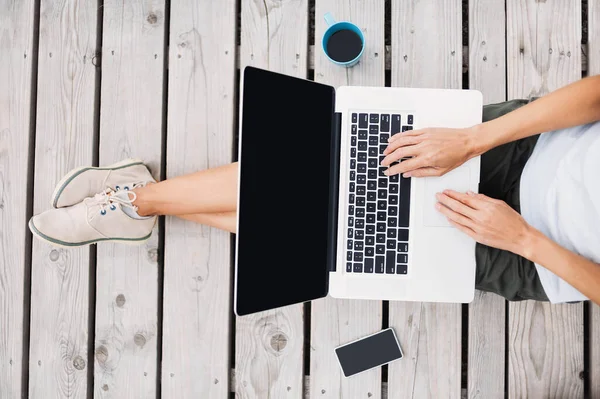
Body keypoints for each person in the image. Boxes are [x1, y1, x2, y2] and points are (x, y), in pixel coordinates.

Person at [29, 76, 600, 306]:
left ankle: (138, 200)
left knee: (340, 247)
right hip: (527, 145)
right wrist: (475, 139)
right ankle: (140, 201)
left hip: (539, 257)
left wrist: (523, 238)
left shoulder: (530, 247)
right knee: (329, 171)